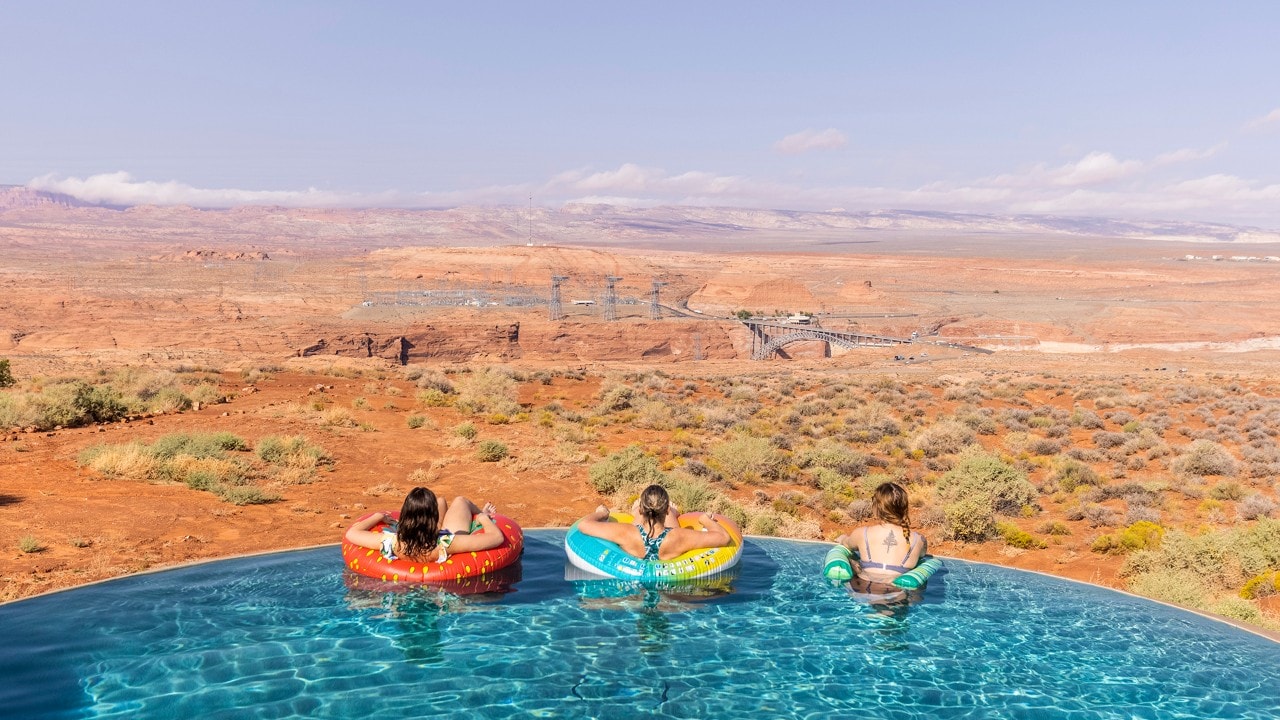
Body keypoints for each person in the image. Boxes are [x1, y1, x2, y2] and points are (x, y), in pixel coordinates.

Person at [344, 486, 504, 563]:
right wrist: (483, 517)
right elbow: (496, 537)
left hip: (420, 539)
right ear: (432, 518)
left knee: (441, 501)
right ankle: (479, 511)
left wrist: (378, 516)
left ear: (405, 515)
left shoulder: (393, 542)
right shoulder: (448, 544)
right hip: (437, 541)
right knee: (460, 500)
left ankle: (436, 507)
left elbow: (351, 533)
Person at [576, 484, 732, 561]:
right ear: (665, 511)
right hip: (670, 592)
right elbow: (723, 537)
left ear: (641, 511)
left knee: (639, 525)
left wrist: (602, 513)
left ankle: (637, 509)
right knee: (668, 526)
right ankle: (673, 512)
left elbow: (583, 525)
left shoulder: (625, 532)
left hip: (633, 589)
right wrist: (704, 519)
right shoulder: (680, 536)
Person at [836, 481, 927, 584]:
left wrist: (842, 538)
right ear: (904, 508)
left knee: (850, 560)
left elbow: (846, 543)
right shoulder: (919, 539)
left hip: (863, 591)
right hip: (899, 595)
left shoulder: (862, 533)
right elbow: (922, 555)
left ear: (876, 507)